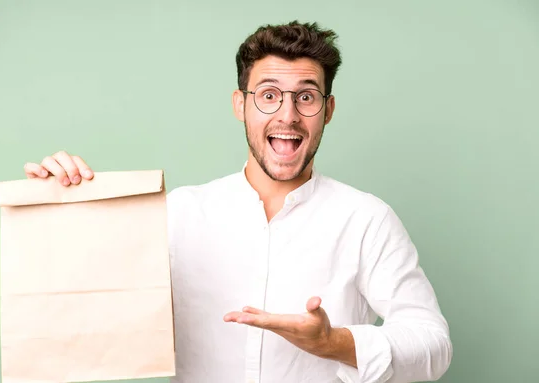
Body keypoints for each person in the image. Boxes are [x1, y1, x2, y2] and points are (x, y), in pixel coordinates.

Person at [23, 21, 452, 383]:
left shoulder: (366, 220)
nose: (287, 115)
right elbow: (94, 308)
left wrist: (334, 343)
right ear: (240, 105)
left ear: (328, 109)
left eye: (306, 96)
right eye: (268, 95)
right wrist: (64, 205)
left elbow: (433, 343)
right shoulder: (178, 215)